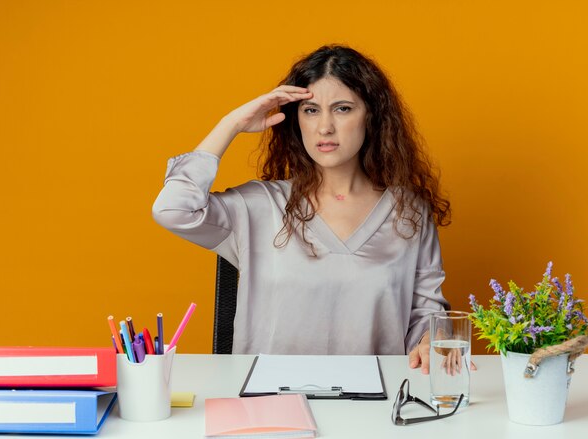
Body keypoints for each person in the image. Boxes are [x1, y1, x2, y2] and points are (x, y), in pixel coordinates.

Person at [152, 45, 451, 373]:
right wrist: (232, 123)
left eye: (342, 109)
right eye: (310, 110)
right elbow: (173, 209)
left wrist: (431, 341)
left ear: (371, 115)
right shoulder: (259, 206)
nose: (325, 127)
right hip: (269, 407)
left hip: (374, 407)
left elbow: (428, 312)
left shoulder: (409, 213)